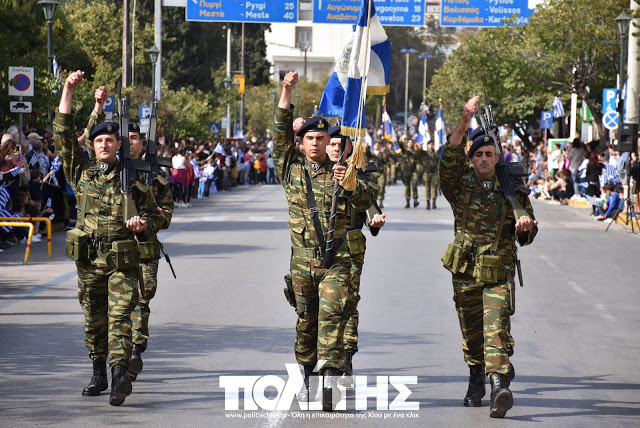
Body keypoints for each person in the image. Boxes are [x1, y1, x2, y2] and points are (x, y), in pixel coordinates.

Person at [54, 70, 163, 406]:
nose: (103, 144)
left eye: (110, 141)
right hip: (89, 261)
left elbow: (160, 214)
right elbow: (63, 135)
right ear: (93, 145)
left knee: (119, 320)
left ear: (119, 146)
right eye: (98, 140)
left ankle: (118, 376)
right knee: (94, 320)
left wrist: (143, 224)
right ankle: (98, 372)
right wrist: (68, 91)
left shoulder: (135, 180)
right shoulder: (81, 173)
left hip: (121, 261)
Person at [273, 71, 372, 412]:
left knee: (332, 316)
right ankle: (306, 368)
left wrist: (351, 184)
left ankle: (329, 376)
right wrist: (287, 90)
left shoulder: (345, 169)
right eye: (309, 139)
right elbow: (279, 130)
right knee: (307, 322)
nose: (315, 143)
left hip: (338, 260)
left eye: (320, 137)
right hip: (302, 262)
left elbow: (366, 203)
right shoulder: (290, 169)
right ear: (300, 144)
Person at [439, 96, 538, 418]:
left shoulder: (513, 190)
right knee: (471, 330)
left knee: (496, 328)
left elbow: (528, 234)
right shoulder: (459, 185)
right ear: (472, 159)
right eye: (478, 154)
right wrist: (466, 119)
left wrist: (525, 226)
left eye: (489, 154)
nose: (484, 158)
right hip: (465, 269)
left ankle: (499, 386)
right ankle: (475, 377)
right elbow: (449, 156)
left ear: (497, 158)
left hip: (498, 270)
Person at [326, 126, 385, 386]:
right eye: (332, 143)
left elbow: (371, 209)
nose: (336, 147)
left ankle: (346, 354)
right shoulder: (311, 172)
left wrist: (375, 221)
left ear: (351, 147)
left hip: (349, 249)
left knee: (347, 303)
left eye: (342, 143)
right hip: (318, 249)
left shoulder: (361, 175)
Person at [365, 142, 386, 208]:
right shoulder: (371, 153)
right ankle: (374, 201)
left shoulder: (381, 153)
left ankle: (381, 201)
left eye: (378, 145)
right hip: (372, 173)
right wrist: (367, 148)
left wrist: (384, 154)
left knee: (381, 186)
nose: (377, 146)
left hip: (380, 173)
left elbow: (385, 161)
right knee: (373, 188)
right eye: (376, 145)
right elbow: (367, 154)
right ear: (373, 146)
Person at [399, 138, 418, 207]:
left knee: (414, 185)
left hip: (414, 171)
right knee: (407, 186)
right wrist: (400, 142)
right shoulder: (405, 151)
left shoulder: (416, 151)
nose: (410, 143)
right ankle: (407, 201)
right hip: (406, 171)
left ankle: (415, 199)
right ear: (407, 144)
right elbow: (402, 147)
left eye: (411, 142)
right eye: (409, 142)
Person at [423, 140, 440, 210]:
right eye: (429, 144)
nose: (431, 146)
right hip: (427, 172)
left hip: (434, 173)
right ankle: (428, 203)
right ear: (427, 145)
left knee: (434, 188)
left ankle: (433, 202)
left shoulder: (437, 154)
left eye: (432, 144)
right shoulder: (424, 153)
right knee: (427, 188)